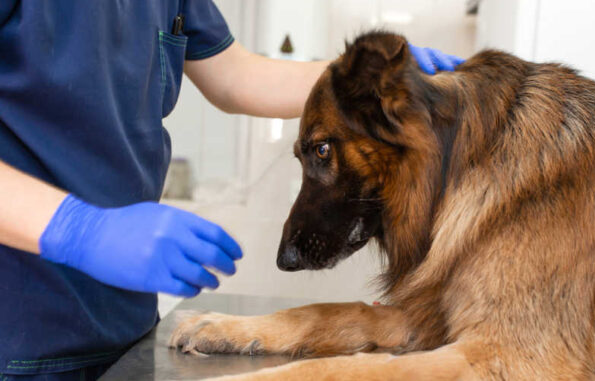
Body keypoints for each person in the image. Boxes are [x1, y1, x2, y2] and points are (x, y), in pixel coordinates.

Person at [0, 1, 463, 379]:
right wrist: (78, 230)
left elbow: (234, 76)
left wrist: (359, 79)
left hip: (119, 324)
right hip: (18, 327)